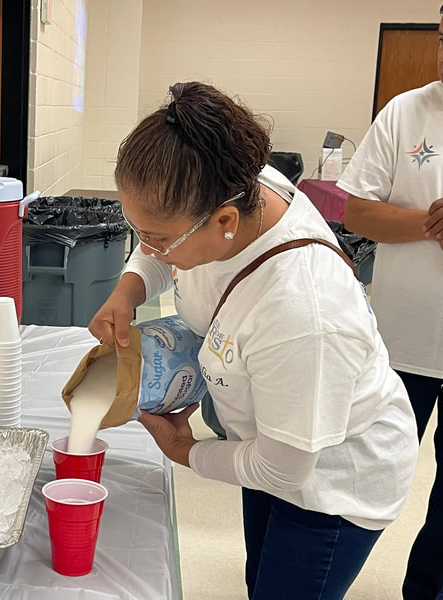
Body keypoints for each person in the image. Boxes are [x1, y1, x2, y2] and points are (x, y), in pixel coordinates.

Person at [89, 81, 419, 600]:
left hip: (331, 480)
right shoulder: (229, 182)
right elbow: (162, 237)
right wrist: (127, 291)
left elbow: (282, 469)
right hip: (267, 436)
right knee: (259, 578)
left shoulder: (302, 310)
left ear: (225, 221)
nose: (147, 248)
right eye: (139, 231)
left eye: (156, 239)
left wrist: (186, 451)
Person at [336, 7, 443, 599]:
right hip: (403, 342)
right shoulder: (406, 111)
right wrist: (429, 224)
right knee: (367, 470)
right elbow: (356, 210)